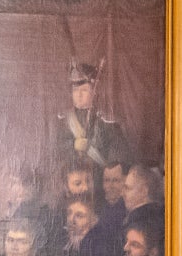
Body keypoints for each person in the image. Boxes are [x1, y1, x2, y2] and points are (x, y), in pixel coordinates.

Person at [53, 61, 130, 193]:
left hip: (100, 185)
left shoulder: (107, 122)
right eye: (75, 90)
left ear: (94, 92)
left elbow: (117, 158)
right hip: (72, 185)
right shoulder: (64, 121)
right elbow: (55, 153)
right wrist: (72, 145)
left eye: (84, 90)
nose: (79, 95)